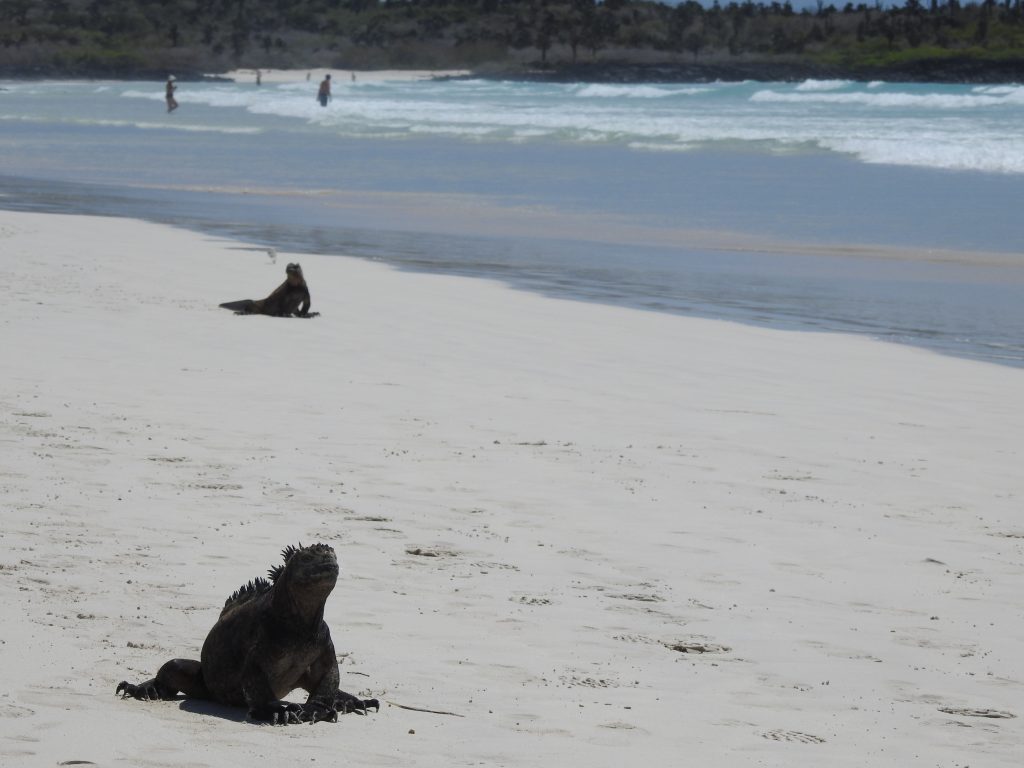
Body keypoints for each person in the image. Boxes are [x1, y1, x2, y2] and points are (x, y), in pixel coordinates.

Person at [218, 262, 317, 318]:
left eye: (291, 276)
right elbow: (280, 303)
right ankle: (247, 309)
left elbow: (306, 303)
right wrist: (283, 313)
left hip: (281, 308)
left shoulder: (303, 287)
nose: (289, 278)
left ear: (298, 276)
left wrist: (303, 313)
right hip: (267, 307)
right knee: (253, 306)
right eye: (288, 276)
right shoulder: (287, 287)